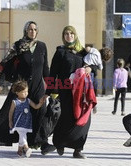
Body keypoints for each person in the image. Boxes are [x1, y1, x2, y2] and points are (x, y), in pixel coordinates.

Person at [0, 21, 56, 155]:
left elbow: (46, 69)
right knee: (13, 113)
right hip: (21, 88)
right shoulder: (18, 46)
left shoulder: (42, 46)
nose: (32, 31)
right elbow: (6, 66)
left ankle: (42, 143)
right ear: (26, 31)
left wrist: (52, 88)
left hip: (37, 87)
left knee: (41, 111)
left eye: (35, 29)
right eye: (30, 29)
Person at [41, 25, 97, 159]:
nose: (69, 36)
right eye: (66, 34)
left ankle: (78, 149)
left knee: (84, 120)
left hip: (81, 92)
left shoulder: (82, 52)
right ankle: (59, 143)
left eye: (71, 33)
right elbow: (53, 73)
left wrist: (90, 68)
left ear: (75, 35)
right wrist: (48, 92)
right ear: (63, 36)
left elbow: (94, 65)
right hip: (65, 91)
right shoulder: (60, 52)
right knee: (66, 118)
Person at [9, 80, 44, 157]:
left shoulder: (28, 100)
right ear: (17, 92)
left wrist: (40, 103)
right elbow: (11, 112)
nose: (26, 93)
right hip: (18, 122)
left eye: (27, 91)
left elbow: (35, 106)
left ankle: (19, 150)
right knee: (22, 134)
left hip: (26, 121)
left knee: (23, 135)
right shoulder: (15, 102)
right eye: (24, 92)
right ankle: (26, 148)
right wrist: (10, 121)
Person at [81, 46, 113, 113]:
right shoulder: (100, 61)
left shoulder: (95, 51)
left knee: (85, 88)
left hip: (84, 67)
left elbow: (88, 48)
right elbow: (101, 68)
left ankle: (86, 101)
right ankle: (92, 102)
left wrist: (87, 50)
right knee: (92, 87)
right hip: (92, 73)